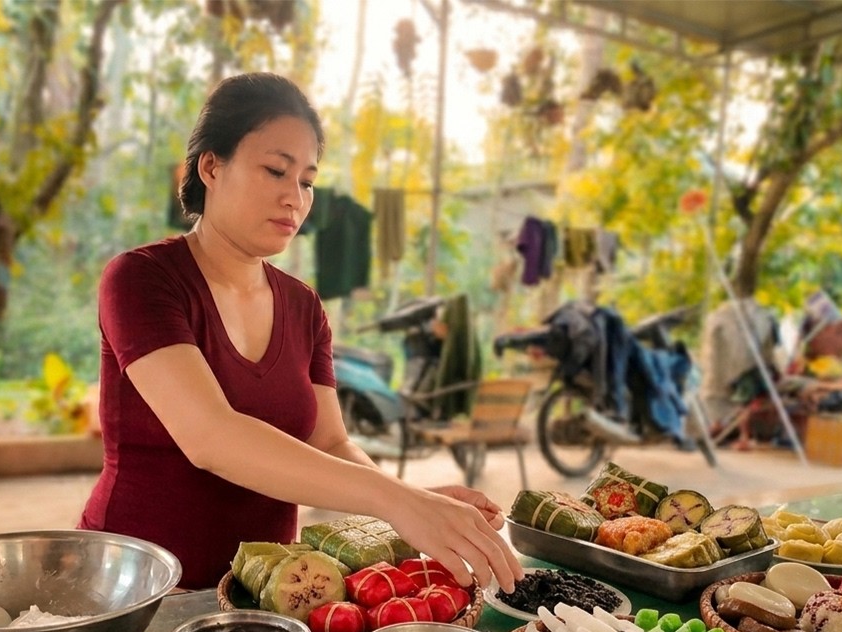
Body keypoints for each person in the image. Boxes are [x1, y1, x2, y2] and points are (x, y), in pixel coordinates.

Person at [80, 72, 523, 593]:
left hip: (269, 590)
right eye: (275, 170)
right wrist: (398, 502)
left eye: (308, 181)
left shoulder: (303, 306)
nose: (295, 198)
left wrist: (411, 500)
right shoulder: (142, 279)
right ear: (211, 166)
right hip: (138, 588)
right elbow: (211, 436)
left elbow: (330, 442)